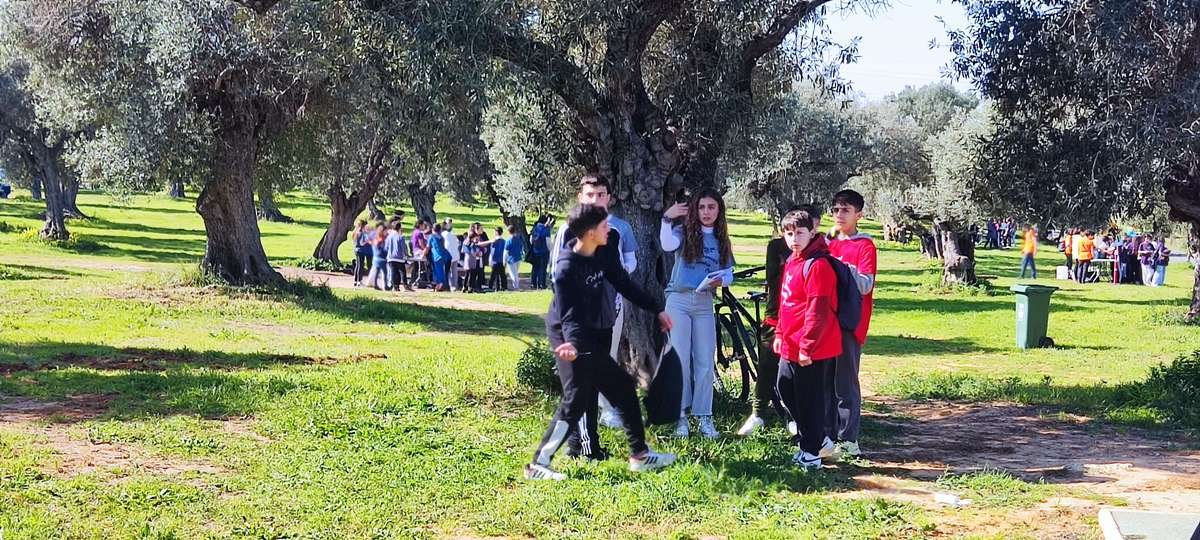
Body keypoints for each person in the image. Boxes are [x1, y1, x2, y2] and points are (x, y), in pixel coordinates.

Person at [525, 203, 676, 481]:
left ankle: (639, 455)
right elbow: (568, 315)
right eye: (605, 225)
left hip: (593, 330)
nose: (610, 228)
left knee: (619, 389)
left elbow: (624, 283)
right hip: (568, 337)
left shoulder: (605, 249)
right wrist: (570, 345)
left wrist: (657, 308)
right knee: (578, 398)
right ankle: (538, 464)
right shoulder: (566, 268)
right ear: (591, 232)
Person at [548, 175, 642, 451]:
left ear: (609, 198)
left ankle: (586, 437)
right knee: (581, 378)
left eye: (601, 194)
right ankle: (580, 444)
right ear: (580, 198)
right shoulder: (568, 230)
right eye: (590, 195)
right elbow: (557, 274)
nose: (595, 200)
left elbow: (628, 267)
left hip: (608, 313)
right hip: (579, 319)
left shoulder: (618, 229)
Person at [738, 204, 822, 437]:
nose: (798, 237)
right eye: (792, 231)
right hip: (777, 317)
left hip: (804, 323)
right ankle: (758, 413)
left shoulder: (819, 255)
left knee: (797, 374)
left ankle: (795, 419)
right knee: (767, 366)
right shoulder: (778, 248)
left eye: (808, 229)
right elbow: (775, 281)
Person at [660, 188, 736, 439]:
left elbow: (729, 274)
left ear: (719, 210)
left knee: (704, 361)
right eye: (702, 207)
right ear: (695, 210)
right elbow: (666, 243)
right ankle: (681, 418)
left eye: (711, 207)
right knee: (680, 359)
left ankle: (704, 417)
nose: (706, 212)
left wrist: (721, 281)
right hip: (679, 300)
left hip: (704, 302)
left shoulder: (722, 238)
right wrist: (667, 218)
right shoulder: (684, 233)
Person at [774, 209, 842, 470]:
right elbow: (786, 301)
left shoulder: (819, 265)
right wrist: (780, 333)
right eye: (789, 233)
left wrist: (807, 346)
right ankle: (817, 440)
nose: (794, 239)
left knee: (809, 398)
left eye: (800, 233)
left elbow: (818, 310)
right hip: (790, 343)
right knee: (785, 388)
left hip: (814, 346)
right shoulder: (793, 260)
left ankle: (811, 453)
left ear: (812, 232)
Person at [821, 190, 876, 459]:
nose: (840, 215)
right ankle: (828, 434)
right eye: (836, 210)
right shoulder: (828, 242)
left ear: (859, 215)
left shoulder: (865, 246)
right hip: (826, 322)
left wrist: (842, 267)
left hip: (850, 324)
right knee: (826, 380)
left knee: (846, 381)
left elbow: (866, 284)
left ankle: (849, 438)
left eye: (846, 210)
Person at [384, 221, 411, 291]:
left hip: (390, 257)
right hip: (399, 257)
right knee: (402, 272)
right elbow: (403, 248)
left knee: (394, 272)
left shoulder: (389, 237)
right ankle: (405, 285)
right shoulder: (400, 237)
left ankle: (396, 286)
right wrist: (406, 255)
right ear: (399, 228)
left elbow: (386, 247)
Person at [529, 216, 552, 289]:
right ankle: (542, 284)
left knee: (535, 268)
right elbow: (548, 242)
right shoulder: (546, 229)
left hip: (535, 251)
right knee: (543, 268)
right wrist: (551, 250)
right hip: (544, 251)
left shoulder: (535, 228)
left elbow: (531, 240)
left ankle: (533, 283)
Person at [365, 222, 389, 290]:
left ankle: (375, 284)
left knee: (377, 271)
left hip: (376, 258)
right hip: (381, 258)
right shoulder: (381, 240)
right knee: (384, 272)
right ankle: (385, 285)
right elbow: (383, 249)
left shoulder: (376, 238)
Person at [351, 220, 372, 287]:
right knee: (360, 266)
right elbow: (362, 243)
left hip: (357, 250)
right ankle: (359, 281)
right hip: (362, 250)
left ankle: (356, 280)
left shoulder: (356, 232)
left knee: (358, 265)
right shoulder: (362, 233)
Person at [486, 226, 508, 292]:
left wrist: (490, 260)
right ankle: (504, 287)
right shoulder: (504, 241)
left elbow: (492, 251)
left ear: (496, 232)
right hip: (501, 260)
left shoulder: (494, 241)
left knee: (493, 275)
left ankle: (492, 286)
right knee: (502, 275)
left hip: (495, 260)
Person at [429, 223, 449, 291]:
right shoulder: (441, 237)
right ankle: (441, 284)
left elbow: (428, 247)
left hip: (437, 256)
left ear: (432, 229)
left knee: (438, 271)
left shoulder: (432, 236)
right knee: (441, 271)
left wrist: (423, 254)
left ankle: (440, 284)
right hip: (443, 255)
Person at [410, 220, 429, 288]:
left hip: (415, 251)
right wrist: (426, 250)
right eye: (423, 225)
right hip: (419, 251)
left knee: (417, 267)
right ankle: (422, 281)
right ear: (420, 225)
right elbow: (421, 243)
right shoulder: (419, 233)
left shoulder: (414, 232)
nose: (424, 226)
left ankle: (414, 280)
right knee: (422, 267)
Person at [443, 220, 461, 291]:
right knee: (454, 271)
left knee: (448, 271)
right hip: (455, 255)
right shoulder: (452, 235)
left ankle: (451, 285)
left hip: (449, 255)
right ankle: (454, 285)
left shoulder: (444, 234)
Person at [504, 225, 524, 290]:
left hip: (511, 259)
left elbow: (506, 252)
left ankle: (516, 286)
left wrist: (504, 261)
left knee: (513, 274)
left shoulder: (508, 241)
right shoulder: (518, 239)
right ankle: (516, 286)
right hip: (518, 258)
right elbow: (521, 248)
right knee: (515, 272)